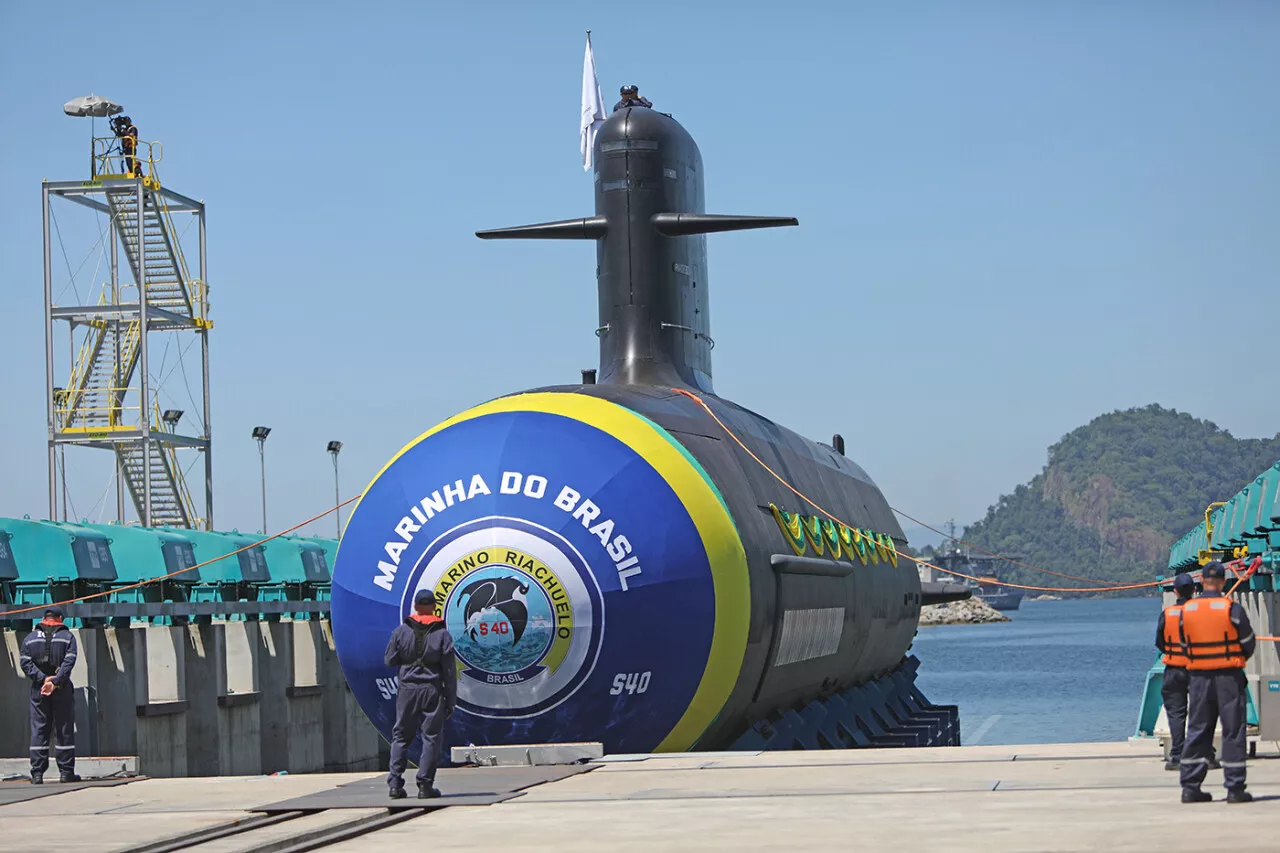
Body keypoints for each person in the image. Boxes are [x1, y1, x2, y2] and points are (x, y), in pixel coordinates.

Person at [1178, 561, 1255, 804]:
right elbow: (1248, 642)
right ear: (1223, 582)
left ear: (1201, 580)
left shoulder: (1187, 610)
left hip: (1199, 676)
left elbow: (1183, 644)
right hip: (1228, 676)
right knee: (1233, 730)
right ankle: (1234, 788)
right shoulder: (1231, 608)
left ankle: (1190, 786)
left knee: (1198, 729)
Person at [384, 589, 456, 799]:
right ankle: (425, 785)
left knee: (401, 737)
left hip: (407, 690)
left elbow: (388, 661)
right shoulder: (442, 634)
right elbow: (449, 672)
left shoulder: (400, 632)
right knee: (431, 738)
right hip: (432, 690)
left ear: (415, 607)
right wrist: (451, 701)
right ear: (434, 607)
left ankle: (395, 785)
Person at [18, 607, 81, 785]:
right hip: (60, 687)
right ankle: (66, 772)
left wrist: (42, 679)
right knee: (63, 729)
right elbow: (69, 662)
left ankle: (37, 774)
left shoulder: (29, 639)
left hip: (39, 688)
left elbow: (25, 663)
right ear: (60, 618)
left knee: (39, 729)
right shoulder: (68, 638)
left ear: (43, 619)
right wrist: (55, 681)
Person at [1154, 573, 1203, 771]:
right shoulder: (1200, 613)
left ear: (1175, 591)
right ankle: (1204, 754)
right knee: (1201, 712)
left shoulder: (1166, 614)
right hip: (1197, 669)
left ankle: (1177, 756)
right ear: (1194, 591)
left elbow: (1160, 643)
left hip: (1174, 668)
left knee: (1176, 713)